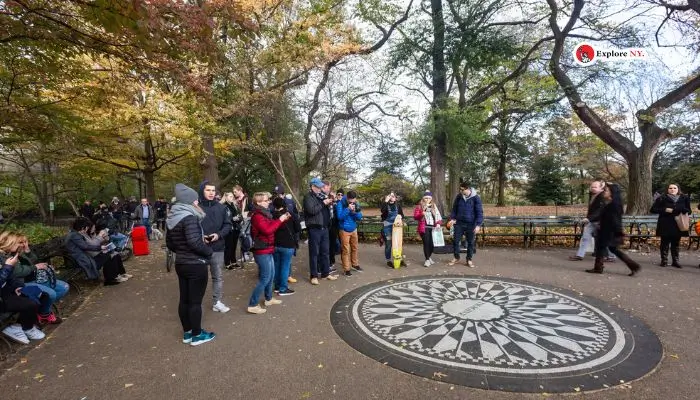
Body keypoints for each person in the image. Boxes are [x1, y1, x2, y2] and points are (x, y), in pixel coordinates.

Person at [166, 183, 216, 346]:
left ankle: (187, 332)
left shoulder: (173, 217)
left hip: (181, 263)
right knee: (195, 302)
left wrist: (183, 250)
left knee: (185, 300)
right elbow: (194, 242)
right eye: (195, 200)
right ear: (189, 202)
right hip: (196, 264)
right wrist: (208, 251)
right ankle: (197, 335)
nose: (197, 203)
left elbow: (171, 244)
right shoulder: (189, 217)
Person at [5, 233, 69, 325]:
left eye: (25, 242)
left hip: (35, 278)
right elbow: (19, 272)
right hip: (23, 283)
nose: (23, 244)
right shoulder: (8, 256)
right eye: (20, 242)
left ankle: (41, 311)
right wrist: (35, 267)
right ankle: (44, 314)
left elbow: (34, 260)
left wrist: (27, 250)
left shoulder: (19, 252)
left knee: (64, 287)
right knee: (51, 294)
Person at [247, 192, 290, 314]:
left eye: (268, 200)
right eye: (266, 200)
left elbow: (270, 226)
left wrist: (281, 220)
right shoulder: (257, 216)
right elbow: (267, 230)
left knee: (271, 275)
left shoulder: (265, 214)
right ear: (259, 202)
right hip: (261, 251)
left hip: (268, 248)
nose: (269, 202)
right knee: (265, 278)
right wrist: (280, 220)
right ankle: (252, 304)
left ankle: (268, 298)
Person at [585, 183, 641, 276]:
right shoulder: (611, 203)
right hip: (607, 230)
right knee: (609, 249)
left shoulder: (613, 205)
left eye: (606, 190)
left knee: (605, 249)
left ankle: (599, 268)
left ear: (612, 193)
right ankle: (633, 266)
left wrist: (617, 232)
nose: (604, 192)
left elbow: (615, 220)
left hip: (609, 231)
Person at [198, 181, 232, 313]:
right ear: (202, 191)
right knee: (199, 278)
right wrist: (199, 237)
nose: (211, 193)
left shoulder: (221, 208)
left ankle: (217, 301)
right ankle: (196, 303)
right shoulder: (196, 207)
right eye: (208, 190)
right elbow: (190, 226)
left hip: (217, 247)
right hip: (199, 248)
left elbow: (227, 225)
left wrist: (218, 235)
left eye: (213, 190)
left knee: (217, 276)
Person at [0, 249, 46, 344]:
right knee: (30, 303)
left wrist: (17, 287)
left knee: (38, 294)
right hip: (2, 300)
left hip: (6, 292)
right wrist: (8, 267)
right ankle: (26, 328)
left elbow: (10, 277)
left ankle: (21, 325)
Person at [64, 218, 126, 285]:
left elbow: (86, 246)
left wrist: (101, 247)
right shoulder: (74, 235)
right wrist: (100, 248)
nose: (87, 229)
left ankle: (113, 278)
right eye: (86, 228)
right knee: (108, 256)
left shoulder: (74, 234)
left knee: (110, 254)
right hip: (81, 260)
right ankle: (110, 280)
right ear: (82, 228)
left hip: (83, 258)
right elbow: (85, 246)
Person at [303, 178, 339, 285]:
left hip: (324, 228)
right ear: (313, 187)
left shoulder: (320, 196)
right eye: (318, 187)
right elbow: (312, 211)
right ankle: (313, 276)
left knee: (325, 252)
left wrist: (329, 202)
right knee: (314, 253)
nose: (320, 189)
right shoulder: (308, 197)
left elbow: (326, 210)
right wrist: (324, 203)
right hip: (314, 228)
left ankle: (325, 273)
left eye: (321, 187)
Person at [569, 180, 615, 262]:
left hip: (600, 222)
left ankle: (611, 256)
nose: (593, 188)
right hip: (591, 221)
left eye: (595, 187)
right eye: (592, 187)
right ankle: (580, 255)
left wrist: (588, 218)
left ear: (601, 188)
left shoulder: (602, 196)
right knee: (585, 238)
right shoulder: (593, 195)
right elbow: (592, 209)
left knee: (604, 239)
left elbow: (600, 211)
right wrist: (588, 219)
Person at [650, 183, 691, 268]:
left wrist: (682, 209)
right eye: (670, 188)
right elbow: (653, 209)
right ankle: (664, 260)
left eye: (674, 188)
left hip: (678, 224)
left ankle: (675, 261)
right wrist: (665, 210)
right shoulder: (662, 198)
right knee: (664, 243)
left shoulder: (684, 198)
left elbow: (689, 210)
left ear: (678, 189)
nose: (672, 189)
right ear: (667, 189)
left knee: (675, 243)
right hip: (665, 223)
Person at [449, 182, 483, 268]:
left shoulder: (476, 198)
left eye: (462, 189)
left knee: (470, 243)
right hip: (459, 223)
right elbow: (454, 209)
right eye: (460, 189)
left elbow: (479, 212)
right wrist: (452, 219)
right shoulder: (459, 197)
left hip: (471, 224)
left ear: (468, 189)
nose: (460, 191)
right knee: (456, 241)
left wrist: (478, 225)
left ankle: (469, 259)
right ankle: (456, 257)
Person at [272, 197, 300, 295]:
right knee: (285, 266)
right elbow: (298, 228)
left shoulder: (272, 215)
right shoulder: (290, 214)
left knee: (277, 265)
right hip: (288, 244)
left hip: (275, 244)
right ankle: (283, 288)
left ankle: (277, 286)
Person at [336, 190, 363, 276]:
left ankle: (355, 264)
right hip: (344, 230)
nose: (352, 202)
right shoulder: (340, 203)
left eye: (353, 200)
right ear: (347, 198)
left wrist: (355, 212)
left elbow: (359, 217)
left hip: (353, 228)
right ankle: (346, 269)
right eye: (350, 201)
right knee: (346, 250)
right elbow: (339, 217)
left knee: (355, 248)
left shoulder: (356, 202)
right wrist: (347, 209)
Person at [414, 191, 442, 267]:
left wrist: (438, 223)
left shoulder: (433, 206)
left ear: (431, 198)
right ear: (423, 198)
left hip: (433, 228)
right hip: (424, 228)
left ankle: (429, 257)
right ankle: (427, 260)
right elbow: (415, 217)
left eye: (429, 198)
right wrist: (421, 213)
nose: (427, 199)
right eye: (426, 198)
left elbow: (438, 216)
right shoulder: (419, 206)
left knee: (432, 245)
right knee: (426, 243)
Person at [381, 192, 405, 268]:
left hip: (397, 227)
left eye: (393, 196)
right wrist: (385, 201)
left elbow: (402, 215)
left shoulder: (398, 205)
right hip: (387, 226)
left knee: (398, 243)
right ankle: (388, 261)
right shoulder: (385, 205)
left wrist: (401, 219)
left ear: (395, 198)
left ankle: (399, 259)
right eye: (390, 196)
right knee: (389, 244)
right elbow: (382, 211)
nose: (392, 197)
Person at [220, 192, 242, 270]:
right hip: (229, 228)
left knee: (234, 246)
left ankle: (233, 262)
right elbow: (223, 218)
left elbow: (238, 214)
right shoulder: (224, 206)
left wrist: (239, 218)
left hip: (236, 228)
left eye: (232, 196)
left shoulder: (233, 205)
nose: (232, 197)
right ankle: (227, 263)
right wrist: (232, 219)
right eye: (230, 196)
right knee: (228, 246)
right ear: (226, 197)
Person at [233, 185, 252, 264]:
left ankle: (249, 253)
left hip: (246, 220)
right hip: (239, 221)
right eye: (233, 192)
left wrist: (247, 216)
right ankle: (244, 254)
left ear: (240, 190)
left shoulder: (247, 199)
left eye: (235, 192)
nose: (234, 193)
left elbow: (251, 209)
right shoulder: (236, 200)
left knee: (247, 236)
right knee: (241, 237)